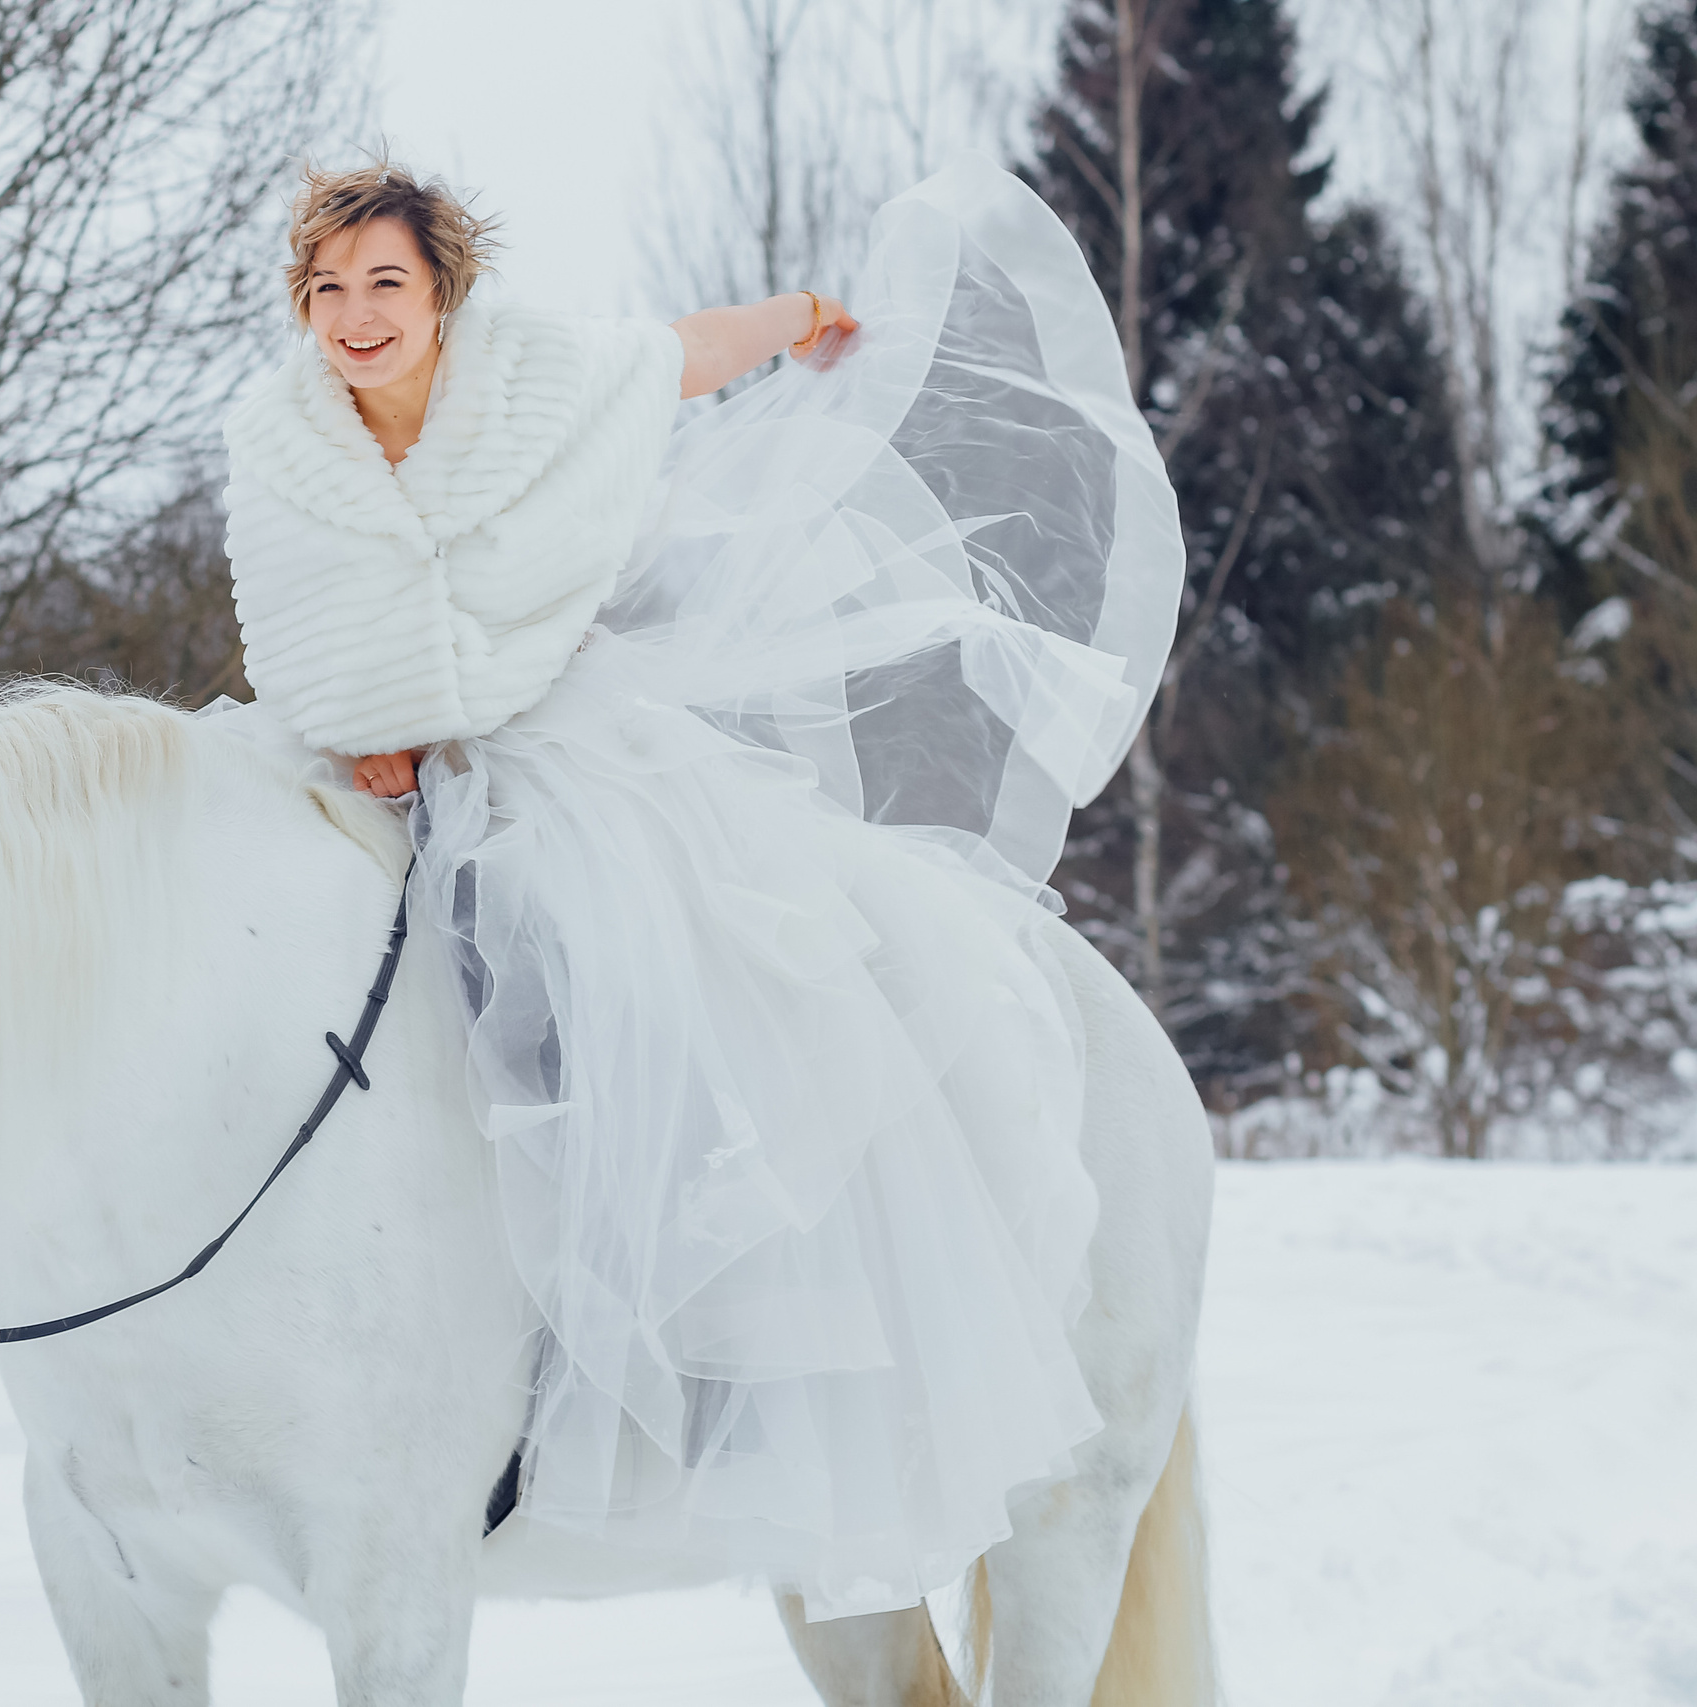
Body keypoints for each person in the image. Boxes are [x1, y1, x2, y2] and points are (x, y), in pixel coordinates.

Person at [214, 154, 1181, 1621]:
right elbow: (288, 631)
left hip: (551, 750)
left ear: (442, 294)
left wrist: (799, 315)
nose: (358, 315)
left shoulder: (534, 382)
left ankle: (712, 1340)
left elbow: (675, 361)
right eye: (330, 289)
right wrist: (367, 732)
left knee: (642, 966)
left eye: (387, 284)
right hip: (341, 770)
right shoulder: (279, 446)